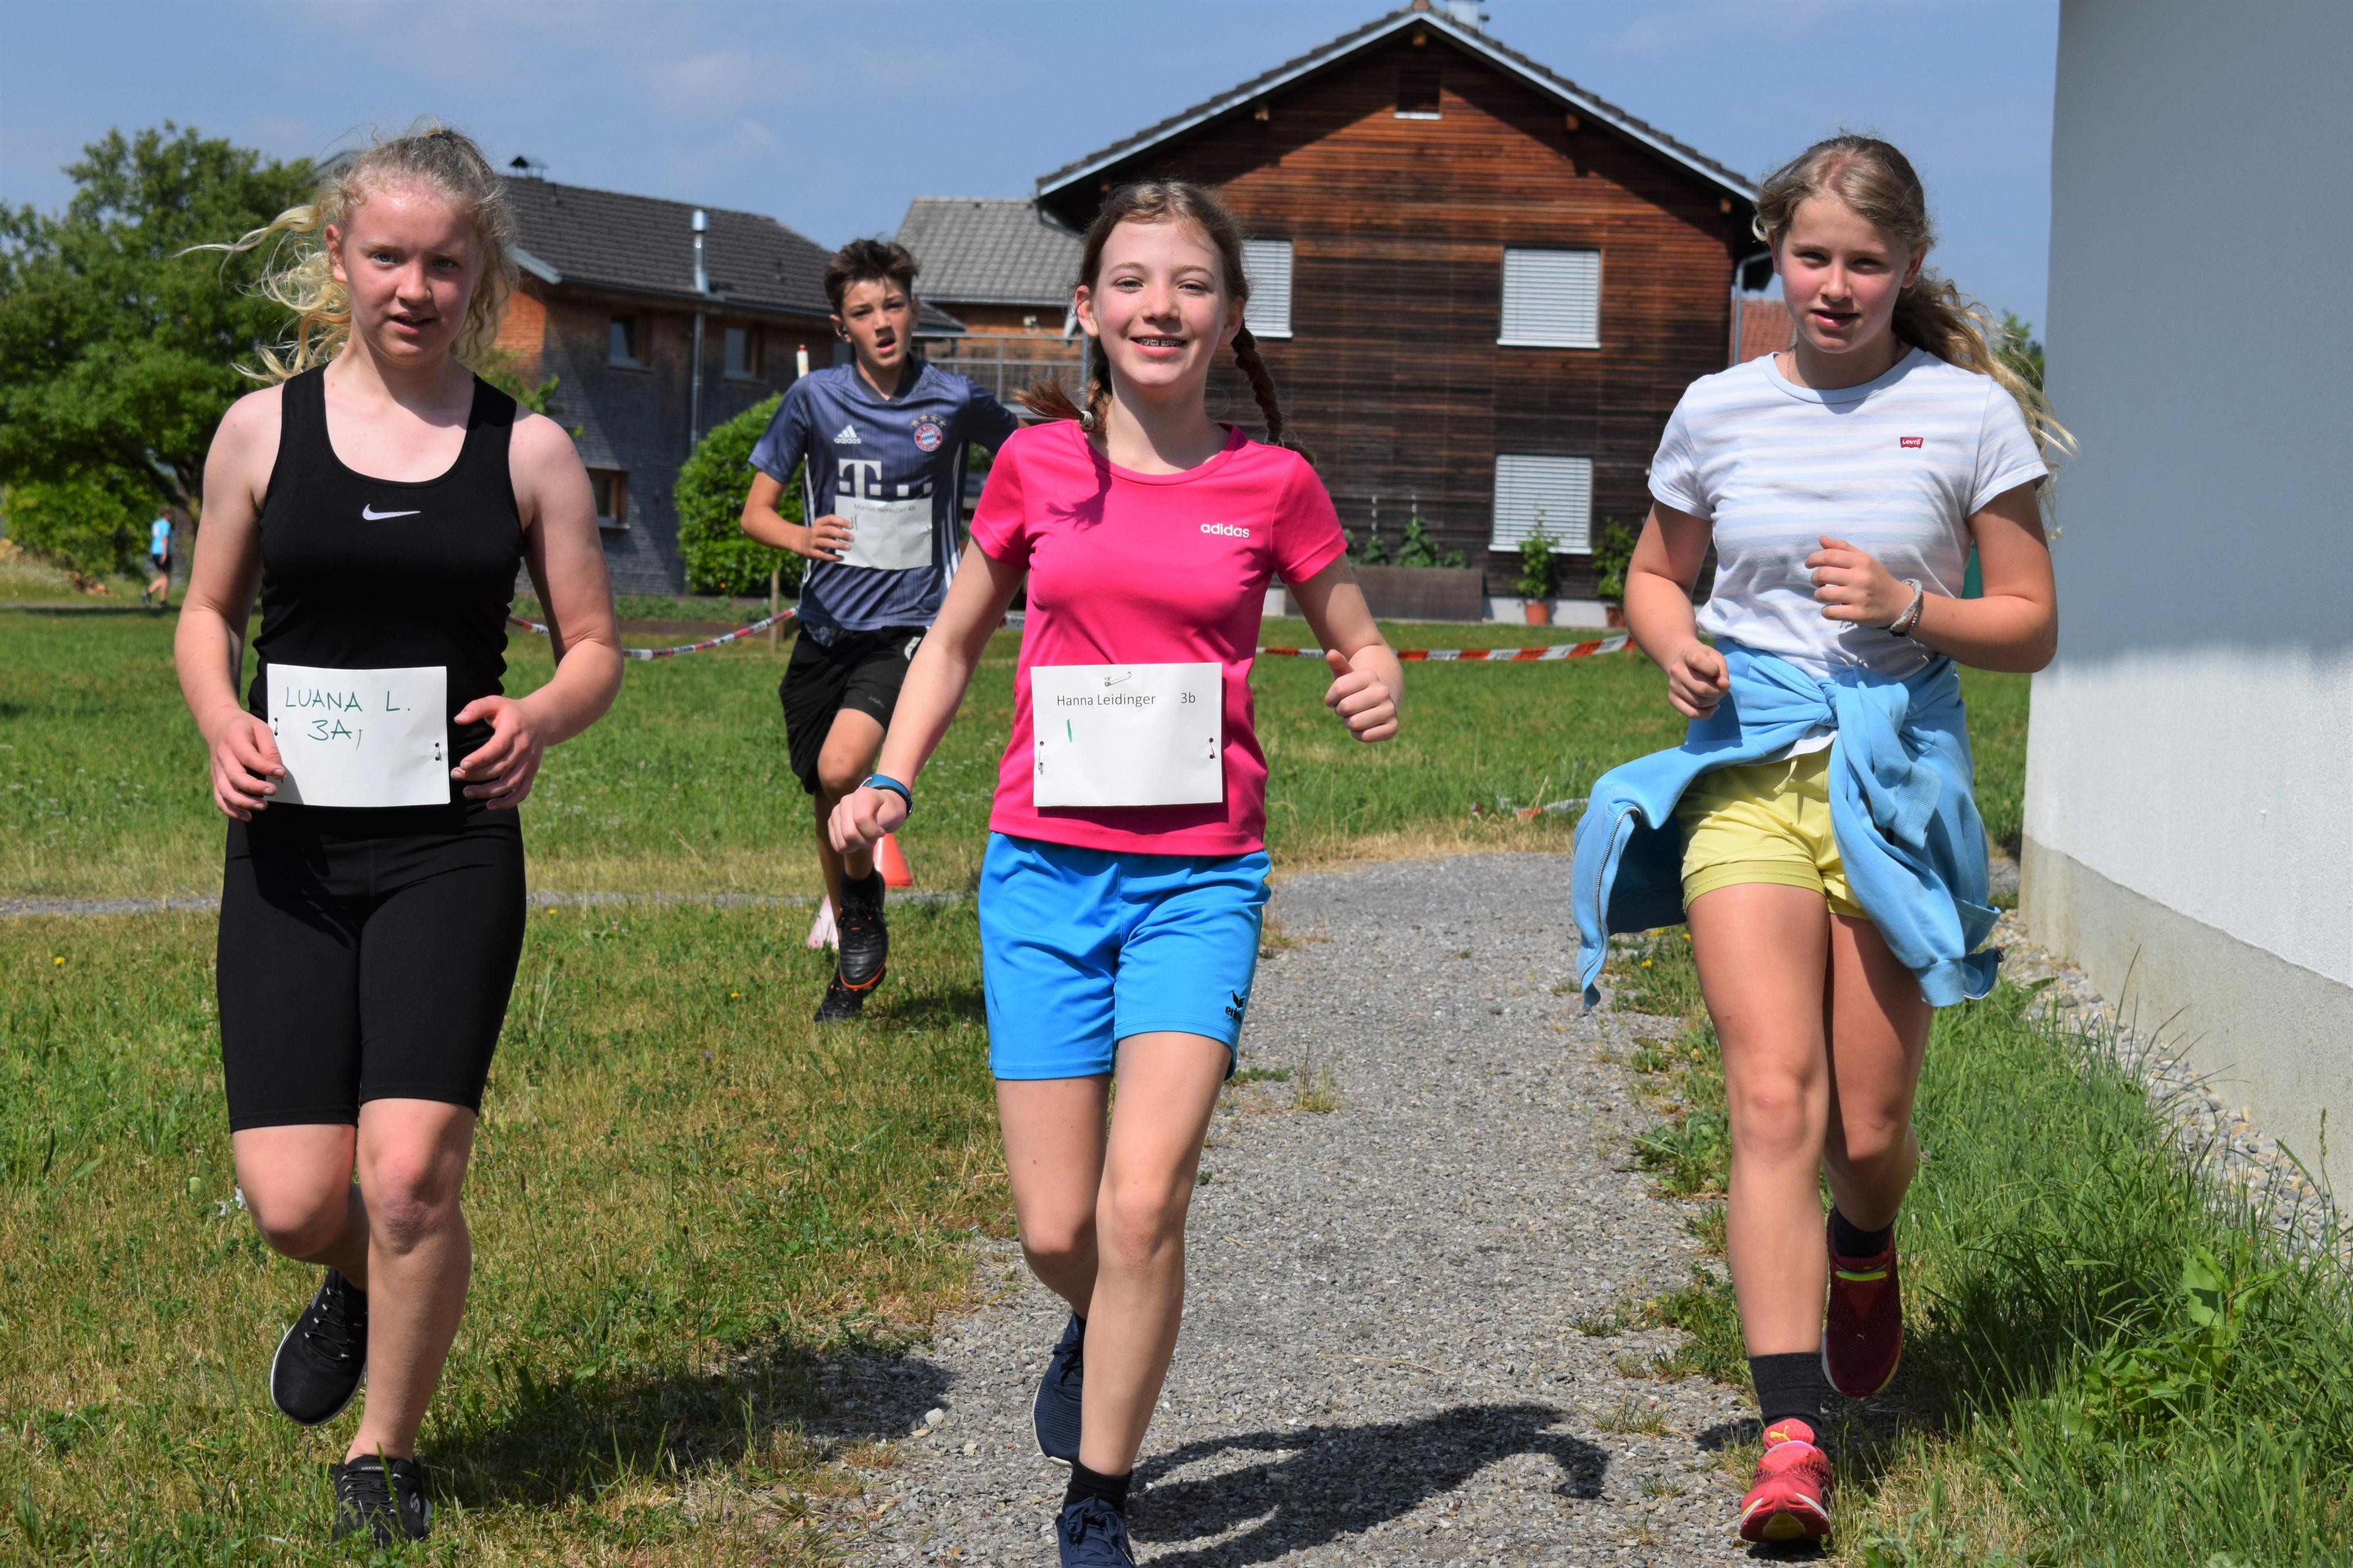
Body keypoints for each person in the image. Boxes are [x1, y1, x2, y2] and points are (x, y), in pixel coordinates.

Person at [831, 180, 1403, 1568]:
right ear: (1086, 308)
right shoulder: (1036, 466)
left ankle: (1097, 1495)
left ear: (1231, 315)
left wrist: (1373, 673)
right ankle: (1092, 1314)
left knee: (1142, 1202)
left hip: (1199, 882)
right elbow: (954, 640)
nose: (1161, 307)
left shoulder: (1273, 484)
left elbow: (1355, 631)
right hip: (1041, 875)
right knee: (1056, 1229)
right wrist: (894, 775)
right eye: (1133, 282)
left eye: (1192, 284)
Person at [1571, 134, 2067, 1545]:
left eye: (1864, 261)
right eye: (1811, 258)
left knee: (1869, 1129)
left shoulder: (1964, 415)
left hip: (1893, 776)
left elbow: (2030, 624)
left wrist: (1913, 606)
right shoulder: (1718, 408)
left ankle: (1863, 1242)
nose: (1835, 286)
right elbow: (1654, 574)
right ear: (1773, 255)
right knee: (1772, 1098)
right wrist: (1672, 641)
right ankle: (1788, 1438)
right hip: (1746, 769)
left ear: (1907, 265)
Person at [173, 125, 622, 1546]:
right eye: (386, 257)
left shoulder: (526, 450)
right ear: (339, 258)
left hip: (450, 848)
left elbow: (594, 647)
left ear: (480, 273)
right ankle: (360, 1281)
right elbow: (206, 613)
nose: (413, 288)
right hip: (292, 850)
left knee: (412, 1176)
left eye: (442, 262)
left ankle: (386, 1448)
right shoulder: (261, 432)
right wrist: (220, 721)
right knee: (293, 1201)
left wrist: (539, 715)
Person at [738, 239, 1020, 1021]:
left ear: (914, 310)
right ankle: (852, 952)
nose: (883, 322)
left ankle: (859, 909)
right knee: (825, 793)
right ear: (842, 327)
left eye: (894, 306)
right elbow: (755, 513)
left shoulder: (954, 400)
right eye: (864, 312)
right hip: (824, 630)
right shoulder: (814, 400)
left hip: (909, 630)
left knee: (843, 768)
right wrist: (801, 536)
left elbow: (1033, 456)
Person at [144, 513, 174, 608]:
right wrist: (165, 553)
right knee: (165, 578)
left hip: (155, 551)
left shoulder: (156, 523)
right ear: (167, 514)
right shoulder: (166, 524)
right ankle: (148, 592)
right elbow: (164, 538)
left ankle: (163, 601)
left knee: (165, 577)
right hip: (162, 552)